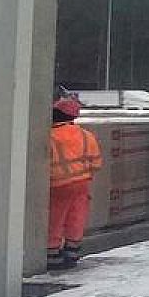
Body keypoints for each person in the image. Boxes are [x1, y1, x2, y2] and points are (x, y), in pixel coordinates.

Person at [48, 96, 103, 270]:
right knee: (76, 216)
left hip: (57, 183)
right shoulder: (86, 135)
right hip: (82, 182)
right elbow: (96, 163)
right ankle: (72, 251)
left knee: (55, 218)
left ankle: (52, 253)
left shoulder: (49, 136)